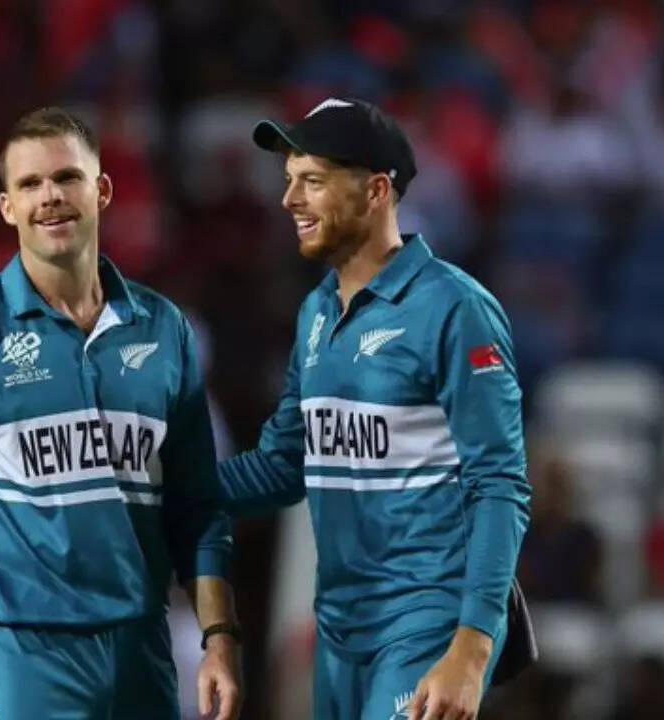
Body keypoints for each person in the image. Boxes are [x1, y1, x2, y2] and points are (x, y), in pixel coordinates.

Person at [0, 107, 241, 720]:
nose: (50, 196)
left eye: (66, 178)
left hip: (139, 648)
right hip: (14, 651)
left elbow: (198, 508)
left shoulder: (166, 331)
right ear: (7, 207)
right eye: (30, 184)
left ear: (102, 190)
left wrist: (219, 639)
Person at [220, 98, 531, 720]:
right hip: (341, 631)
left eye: (312, 181)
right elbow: (283, 465)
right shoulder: (316, 312)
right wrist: (162, 486)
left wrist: (471, 648)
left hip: (429, 619)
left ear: (376, 191)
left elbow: (499, 484)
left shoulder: (454, 308)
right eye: (289, 180)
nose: (289, 199)